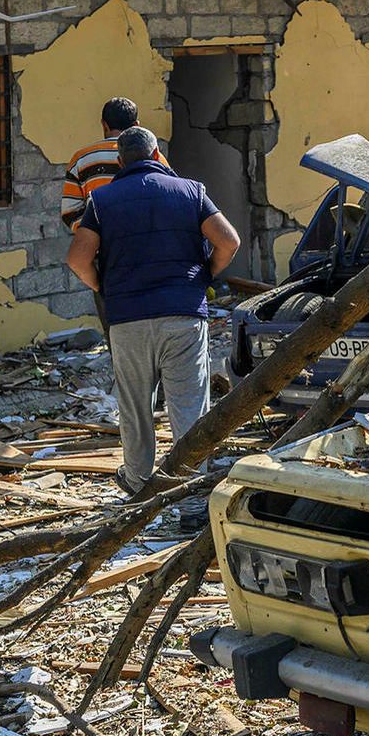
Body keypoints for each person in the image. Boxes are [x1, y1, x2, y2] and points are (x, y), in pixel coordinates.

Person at [65, 126, 240, 510]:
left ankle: (139, 484)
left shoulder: (102, 199)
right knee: (190, 408)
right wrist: (206, 274)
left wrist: (103, 287)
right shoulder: (191, 191)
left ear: (120, 162)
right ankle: (192, 503)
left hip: (128, 319)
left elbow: (77, 260)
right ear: (157, 155)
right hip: (183, 314)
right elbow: (229, 241)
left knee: (135, 405)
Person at [59, 96, 168, 232]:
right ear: (136, 126)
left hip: (102, 245)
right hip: (145, 239)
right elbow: (167, 197)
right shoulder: (154, 156)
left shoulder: (81, 159)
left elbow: (70, 212)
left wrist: (96, 234)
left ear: (104, 124)